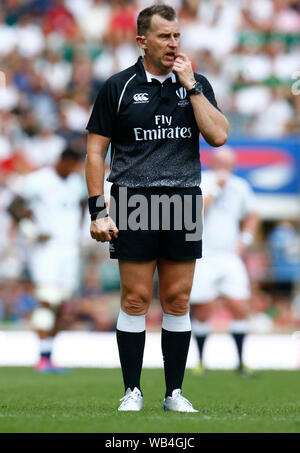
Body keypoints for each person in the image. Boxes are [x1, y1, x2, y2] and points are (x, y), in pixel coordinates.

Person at [85, 4, 229, 412]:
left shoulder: (196, 83)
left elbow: (218, 136)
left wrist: (192, 87)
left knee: (179, 299)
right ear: (142, 41)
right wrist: (98, 210)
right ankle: (132, 390)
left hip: (183, 199)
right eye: (165, 36)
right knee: (133, 299)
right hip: (133, 200)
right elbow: (95, 152)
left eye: (177, 35)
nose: (173, 43)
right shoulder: (119, 86)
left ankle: (174, 394)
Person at [8, 148, 86, 372]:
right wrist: (31, 231)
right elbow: (14, 206)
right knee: (46, 298)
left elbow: (81, 205)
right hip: (47, 249)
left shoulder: (75, 182)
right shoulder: (38, 180)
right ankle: (41, 357)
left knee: (61, 303)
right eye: (70, 164)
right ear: (62, 160)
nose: (72, 169)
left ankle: (49, 356)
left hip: (69, 249)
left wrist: (78, 232)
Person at [190, 146, 259, 376]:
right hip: (204, 254)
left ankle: (240, 362)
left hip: (229, 256)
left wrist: (245, 239)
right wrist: (216, 190)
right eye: (221, 163)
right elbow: (194, 213)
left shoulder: (240, 186)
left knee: (239, 306)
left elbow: (253, 213)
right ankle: (200, 361)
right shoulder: (201, 182)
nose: (225, 168)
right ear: (212, 162)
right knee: (203, 308)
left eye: (229, 164)